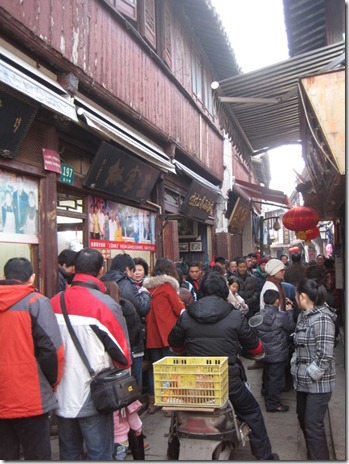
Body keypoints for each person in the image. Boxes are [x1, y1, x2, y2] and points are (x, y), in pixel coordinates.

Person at [168, 271, 279, 461]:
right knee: (252, 412)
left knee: (178, 417)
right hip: (228, 381)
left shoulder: (187, 315)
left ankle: (173, 452)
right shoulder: (235, 316)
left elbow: (175, 344)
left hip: (194, 382)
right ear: (223, 290)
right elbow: (255, 347)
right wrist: (256, 352)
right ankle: (264, 456)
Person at [50, 248, 131, 460]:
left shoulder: (54, 301)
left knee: (69, 453)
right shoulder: (105, 305)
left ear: (75, 269)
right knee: (99, 453)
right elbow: (123, 356)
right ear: (101, 270)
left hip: (60, 391)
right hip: (93, 392)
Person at [0, 257, 64, 460]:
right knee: (37, 453)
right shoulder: (36, 302)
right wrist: (52, 382)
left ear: (4, 276)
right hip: (30, 393)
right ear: (32, 278)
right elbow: (53, 351)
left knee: (5, 451)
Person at [291, 278, 336, 460]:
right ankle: (313, 453)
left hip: (318, 383)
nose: (294, 298)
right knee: (303, 418)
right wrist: (295, 365)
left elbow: (325, 355)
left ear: (302, 296)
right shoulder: (303, 315)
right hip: (302, 380)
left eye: (296, 295)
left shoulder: (323, 319)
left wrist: (310, 374)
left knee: (313, 424)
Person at [103, 280, 148, 460]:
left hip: (103, 438)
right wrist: (138, 430)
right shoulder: (125, 308)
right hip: (128, 357)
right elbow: (133, 413)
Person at [102, 253, 150, 390]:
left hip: (109, 340)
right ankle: (134, 407)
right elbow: (142, 308)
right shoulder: (125, 283)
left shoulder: (102, 281)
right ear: (128, 269)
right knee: (133, 379)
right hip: (130, 338)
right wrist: (145, 293)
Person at [142, 258, 185, 414]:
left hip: (152, 335)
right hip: (169, 334)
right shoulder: (167, 287)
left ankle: (153, 402)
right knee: (170, 369)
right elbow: (179, 309)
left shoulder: (147, 289)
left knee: (155, 369)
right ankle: (169, 402)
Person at [253, 289, 295, 412]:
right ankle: (273, 404)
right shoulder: (281, 316)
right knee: (276, 379)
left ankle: (265, 391)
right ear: (277, 301)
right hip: (277, 352)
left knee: (267, 372)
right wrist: (290, 312)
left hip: (263, 351)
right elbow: (291, 328)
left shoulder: (257, 315)